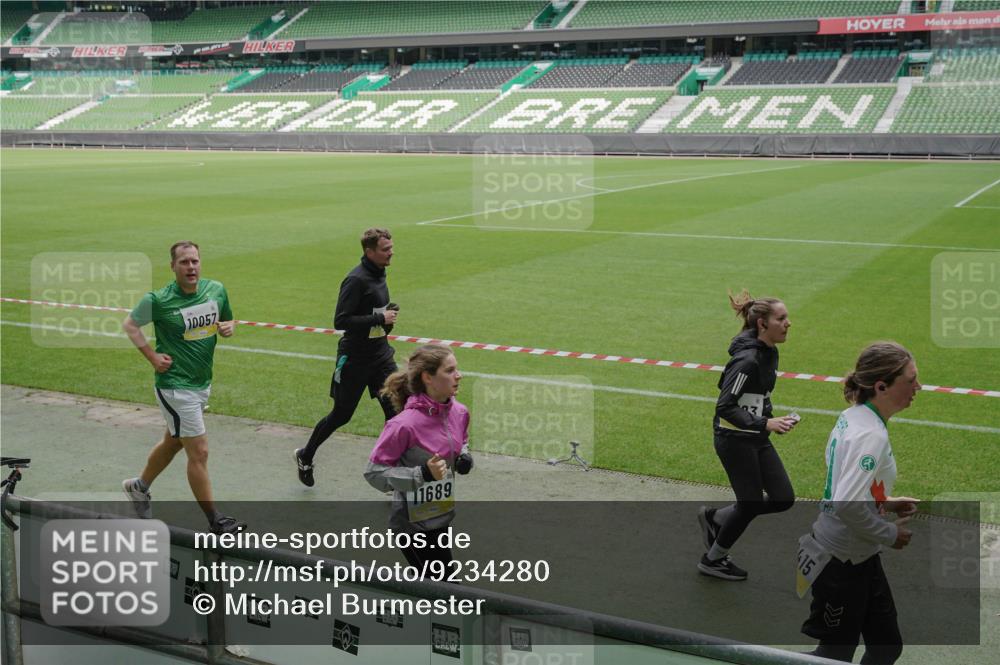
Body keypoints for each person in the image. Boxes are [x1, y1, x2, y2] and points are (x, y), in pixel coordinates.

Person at [799, 342, 920, 664]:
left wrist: (885, 501)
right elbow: (846, 504)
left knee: (886, 647)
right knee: (833, 655)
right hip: (842, 560)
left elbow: (846, 484)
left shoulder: (855, 416)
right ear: (882, 386)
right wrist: (889, 533)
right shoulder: (871, 435)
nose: (917, 387)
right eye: (910, 380)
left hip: (856, 555)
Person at [121, 241, 244, 535]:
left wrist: (229, 327)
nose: (191, 267)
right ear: (173, 266)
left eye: (195, 261)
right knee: (199, 452)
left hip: (201, 382)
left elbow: (227, 318)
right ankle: (216, 520)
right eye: (185, 262)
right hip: (175, 387)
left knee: (174, 442)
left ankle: (139, 487)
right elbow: (130, 325)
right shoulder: (159, 299)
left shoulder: (215, 290)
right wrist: (152, 357)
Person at [697, 290, 799, 580]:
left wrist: (774, 419)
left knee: (783, 498)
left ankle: (716, 518)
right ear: (762, 325)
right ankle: (712, 559)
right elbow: (725, 406)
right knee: (751, 503)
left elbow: (757, 396)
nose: (788, 323)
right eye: (781, 318)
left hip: (754, 436)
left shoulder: (770, 352)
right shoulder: (747, 361)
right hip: (733, 440)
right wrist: (765, 424)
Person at [295, 228, 399, 487]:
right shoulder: (356, 279)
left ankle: (392, 471)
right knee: (341, 415)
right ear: (369, 251)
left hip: (381, 357)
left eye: (391, 247)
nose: (391, 252)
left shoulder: (379, 273)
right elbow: (341, 320)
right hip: (354, 360)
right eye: (385, 249)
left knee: (397, 413)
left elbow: (373, 317)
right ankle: (305, 456)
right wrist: (379, 318)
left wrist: (387, 319)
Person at [363, 345, 472, 574]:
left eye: (457, 369)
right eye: (450, 370)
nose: (458, 375)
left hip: (441, 517)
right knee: (443, 588)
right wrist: (421, 474)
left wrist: (464, 455)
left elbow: (462, 440)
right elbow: (373, 472)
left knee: (439, 587)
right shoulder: (403, 425)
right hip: (412, 528)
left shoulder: (460, 413)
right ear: (428, 378)